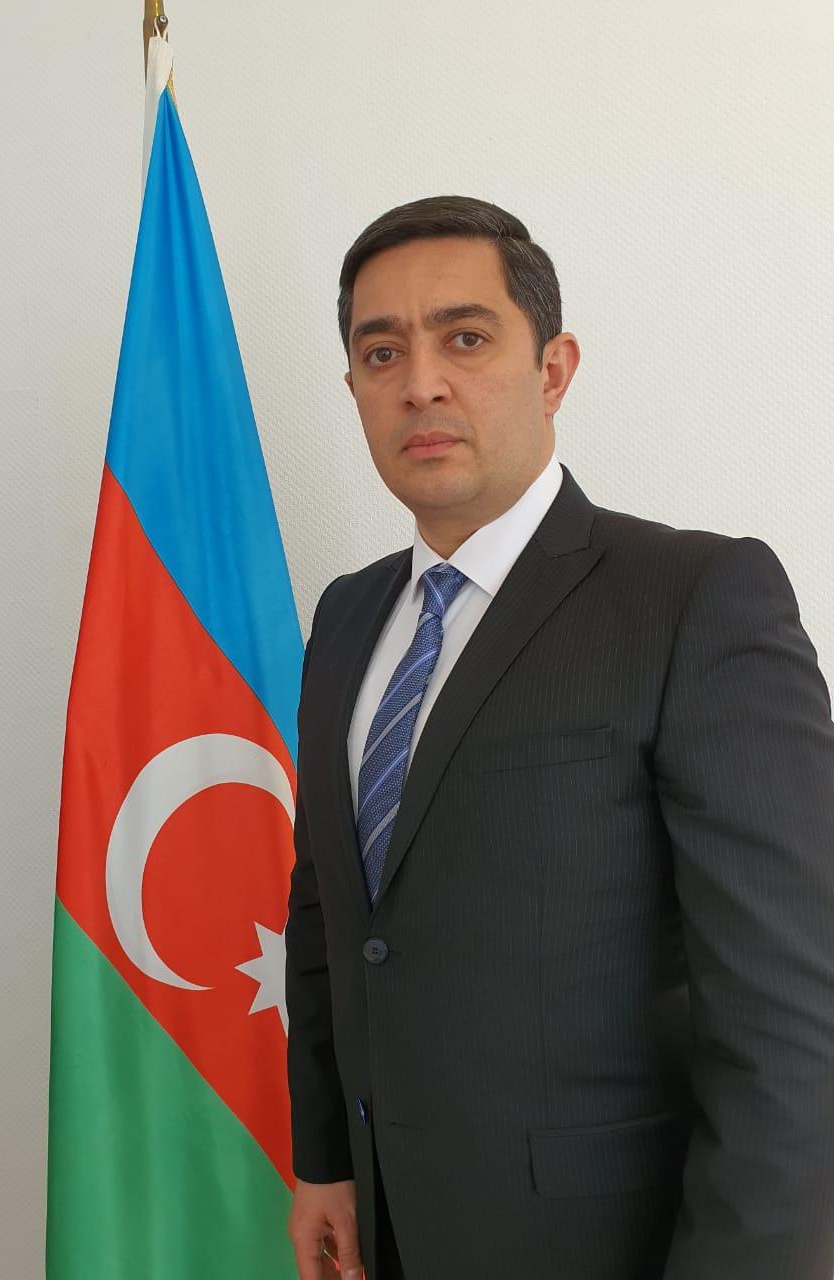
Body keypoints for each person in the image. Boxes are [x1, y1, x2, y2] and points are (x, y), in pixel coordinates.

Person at [283, 195, 834, 1280]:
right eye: (382, 352)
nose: (420, 382)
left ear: (554, 369)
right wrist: (326, 1159)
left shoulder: (695, 597)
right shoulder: (345, 618)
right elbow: (328, 910)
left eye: (465, 337)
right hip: (388, 1229)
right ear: (354, 389)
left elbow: (792, 1021)